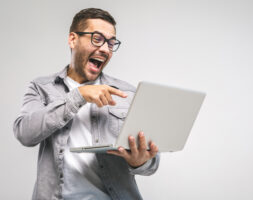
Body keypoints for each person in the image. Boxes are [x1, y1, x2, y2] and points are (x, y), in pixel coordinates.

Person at [13, 8, 160, 200]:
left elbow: (152, 162)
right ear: (73, 39)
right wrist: (78, 96)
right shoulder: (41, 88)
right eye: (97, 39)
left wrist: (140, 162)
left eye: (111, 43)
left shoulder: (127, 94)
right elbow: (25, 133)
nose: (106, 49)